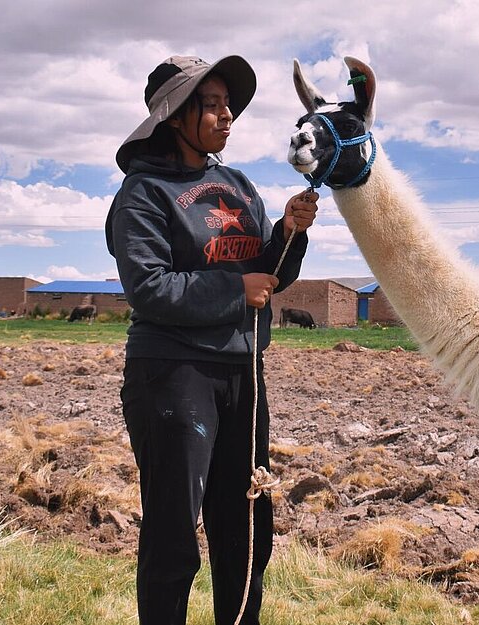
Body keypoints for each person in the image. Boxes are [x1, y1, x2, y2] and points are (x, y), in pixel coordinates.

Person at [105, 55, 319, 625]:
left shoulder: (238, 187)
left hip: (242, 373)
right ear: (175, 114)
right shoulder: (143, 193)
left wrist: (289, 234)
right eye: (212, 103)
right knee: (176, 534)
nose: (228, 115)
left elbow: (266, 274)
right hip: (173, 376)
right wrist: (234, 290)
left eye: (229, 104)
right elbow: (149, 288)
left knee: (247, 524)